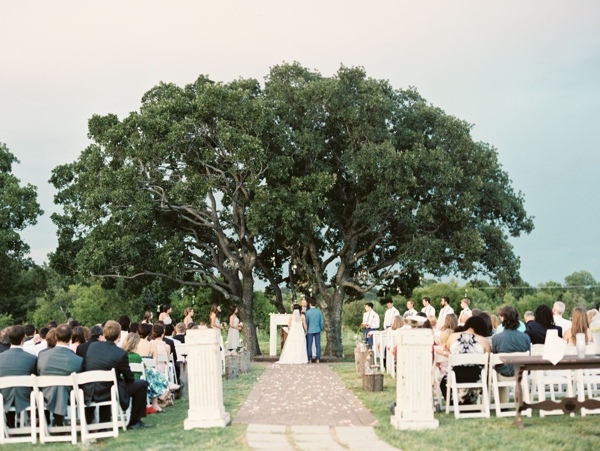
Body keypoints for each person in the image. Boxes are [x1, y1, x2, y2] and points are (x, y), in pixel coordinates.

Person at [83, 320, 150, 430]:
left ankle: (105, 423)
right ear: (119, 335)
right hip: (109, 390)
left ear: (104, 334)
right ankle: (134, 421)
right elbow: (129, 378)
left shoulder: (92, 347)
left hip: (91, 389)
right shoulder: (120, 353)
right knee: (142, 384)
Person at [37, 323, 83, 426]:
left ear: (56, 337)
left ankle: (47, 422)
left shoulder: (42, 355)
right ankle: (59, 422)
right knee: (63, 389)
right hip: (67, 398)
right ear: (71, 338)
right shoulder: (77, 359)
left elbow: (38, 373)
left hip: (45, 396)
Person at [439, 316, 491, 405]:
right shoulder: (484, 341)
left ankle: (456, 402)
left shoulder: (452, 337)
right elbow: (488, 361)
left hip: (455, 378)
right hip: (477, 380)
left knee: (444, 380)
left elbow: (446, 349)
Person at [122, 333, 176, 413]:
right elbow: (144, 368)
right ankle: (164, 389)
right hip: (136, 380)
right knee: (151, 372)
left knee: (151, 373)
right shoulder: (136, 356)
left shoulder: (122, 355)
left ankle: (161, 395)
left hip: (124, 380)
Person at [0, 325, 38, 427]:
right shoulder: (32, 358)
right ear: (23, 340)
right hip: (26, 396)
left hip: (3, 396)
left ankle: (10, 424)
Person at [491, 306, 531, 402]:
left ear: (503, 319)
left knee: (496, 368)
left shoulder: (496, 338)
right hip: (521, 373)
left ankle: (503, 402)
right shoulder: (525, 337)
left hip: (503, 374)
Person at [305, 297, 324, 362]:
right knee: (318, 345)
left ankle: (309, 359)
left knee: (309, 345)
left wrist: (306, 329)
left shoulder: (307, 312)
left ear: (310, 304)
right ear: (315, 304)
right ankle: (318, 359)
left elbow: (306, 321)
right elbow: (321, 322)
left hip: (310, 330)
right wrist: (321, 328)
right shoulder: (319, 312)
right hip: (317, 329)